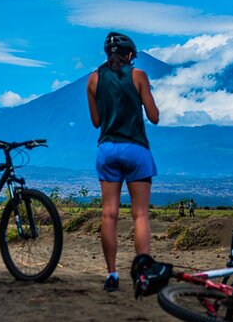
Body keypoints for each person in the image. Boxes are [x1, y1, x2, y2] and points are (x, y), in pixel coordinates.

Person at [86, 31, 160, 292]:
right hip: (135, 148)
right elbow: (154, 116)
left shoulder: (93, 80)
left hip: (107, 149)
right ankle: (142, 276)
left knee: (109, 214)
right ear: (129, 55)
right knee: (140, 214)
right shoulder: (138, 76)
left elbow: (96, 122)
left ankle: (112, 275)